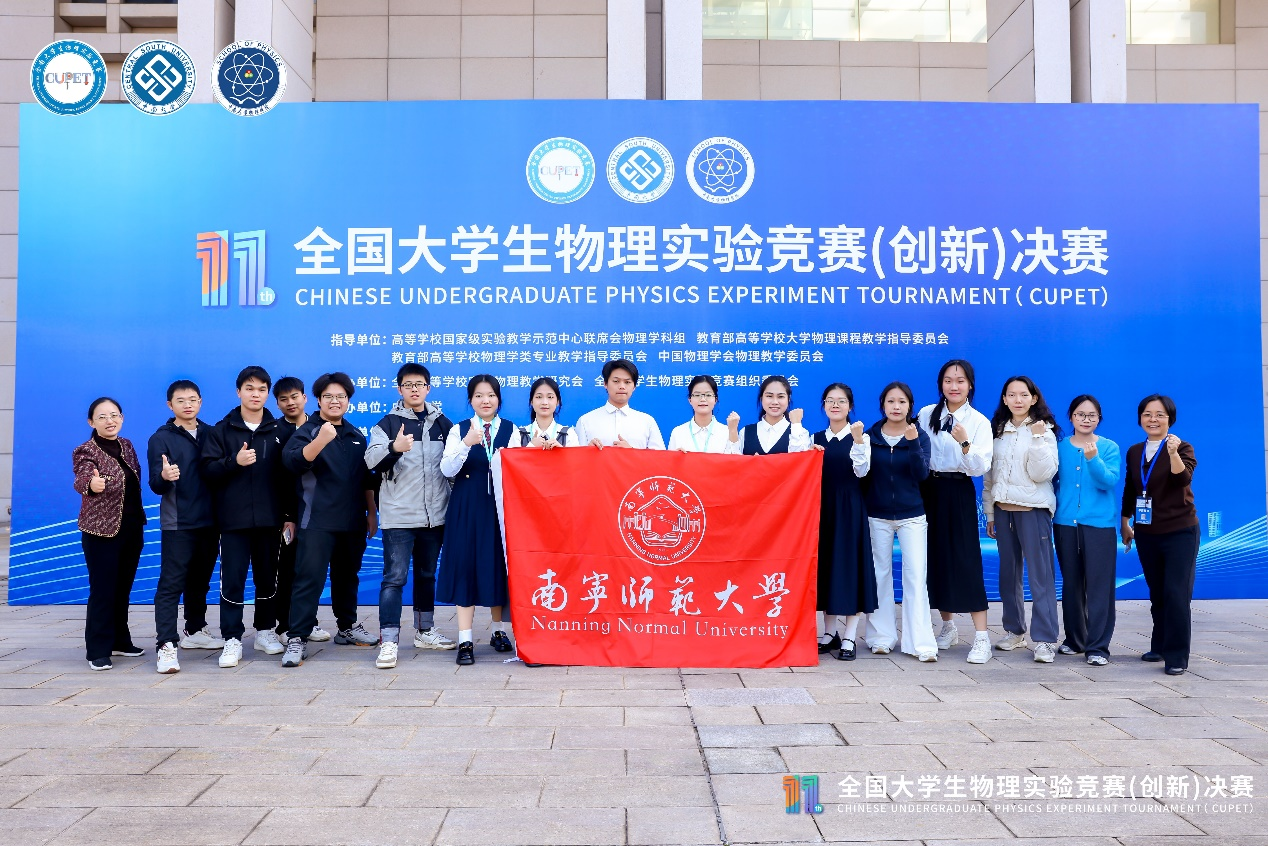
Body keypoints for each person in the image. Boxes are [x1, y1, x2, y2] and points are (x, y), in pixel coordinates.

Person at [281, 372, 379, 667]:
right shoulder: (308, 431)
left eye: (341, 396)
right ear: (318, 400)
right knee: (309, 579)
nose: (335, 401)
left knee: (347, 576)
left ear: (348, 400)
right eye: (328, 397)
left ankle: (346, 627)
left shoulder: (355, 435)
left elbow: (365, 478)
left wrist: (371, 512)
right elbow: (292, 462)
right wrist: (321, 440)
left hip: (352, 521)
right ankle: (297, 637)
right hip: (317, 521)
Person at [365, 363, 456, 670]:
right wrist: (395, 447)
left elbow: (452, 465)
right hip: (400, 517)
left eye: (419, 384)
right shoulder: (388, 423)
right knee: (394, 579)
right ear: (399, 389)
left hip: (434, 517)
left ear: (428, 388)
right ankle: (389, 641)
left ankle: (425, 631)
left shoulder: (443, 423)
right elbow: (371, 460)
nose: (414, 389)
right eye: (408, 385)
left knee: (427, 575)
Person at [201, 366, 292, 668]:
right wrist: (233, 461)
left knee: (268, 578)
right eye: (250, 388)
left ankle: (265, 630)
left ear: (268, 394)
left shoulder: (280, 431)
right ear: (238, 391)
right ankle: (232, 638)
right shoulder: (221, 430)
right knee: (233, 580)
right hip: (233, 521)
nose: (256, 394)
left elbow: (288, 478)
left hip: (270, 520)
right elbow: (207, 471)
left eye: (262, 389)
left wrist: (287, 515)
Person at [919, 359, 994, 664]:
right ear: (941, 384)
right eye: (948, 380)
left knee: (966, 560)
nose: (954, 386)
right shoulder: (926, 414)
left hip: (959, 489)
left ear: (970, 385)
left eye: (960, 381)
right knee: (935, 559)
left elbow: (980, 467)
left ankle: (982, 638)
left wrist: (964, 443)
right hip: (929, 490)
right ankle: (948, 627)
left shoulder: (979, 422)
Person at [437, 375, 515, 666]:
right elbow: (447, 469)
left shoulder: (511, 430)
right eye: (479, 395)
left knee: (497, 567)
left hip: (500, 509)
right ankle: (465, 639)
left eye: (491, 395)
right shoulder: (459, 430)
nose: (486, 400)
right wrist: (467, 444)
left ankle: (498, 631)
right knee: (466, 568)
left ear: (498, 399)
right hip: (467, 507)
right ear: (471, 400)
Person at [983, 376, 1061, 663]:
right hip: (1003, 511)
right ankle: (1014, 631)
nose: (1018, 400)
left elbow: (1043, 474)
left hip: (1033, 511)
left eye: (1023, 395)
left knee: (1040, 577)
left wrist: (1038, 439)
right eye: (1012, 395)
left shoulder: (1044, 431)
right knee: (1008, 575)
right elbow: (989, 477)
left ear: (1034, 398)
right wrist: (991, 513)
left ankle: (1045, 639)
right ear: (1004, 399)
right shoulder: (997, 431)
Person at [147, 380, 223, 674]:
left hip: (210, 520)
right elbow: (155, 484)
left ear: (200, 402)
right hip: (178, 522)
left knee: (200, 580)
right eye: (181, 400)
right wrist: (165, 476)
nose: (187, 405)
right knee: (171, 584)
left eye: (192, 399)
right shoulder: (160, 438)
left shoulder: (211, 433)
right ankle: (166, 645)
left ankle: (195, 629)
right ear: (170, 405)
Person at [1121, 394, 1198, 676]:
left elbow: (1182, 479)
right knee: (1158, 592)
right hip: (1147, 532)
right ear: (1140, 418)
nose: (1153, 419)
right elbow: (1131, 488)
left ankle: (1177, 656)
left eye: (1160, 415)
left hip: (1180, 531)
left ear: (1170, 419)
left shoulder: (1182, 446)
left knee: (1176, 593)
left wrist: (1173, 453)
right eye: (1147, 414)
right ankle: (1161, 645)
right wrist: (1125, 521)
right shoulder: (1134, 451)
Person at [864, 381, 938, 662]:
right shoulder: (870, 436)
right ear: (883, 405)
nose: (896, 407)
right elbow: (863, 475)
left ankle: (920, 643)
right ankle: (881, 638)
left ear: (910, 406)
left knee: (916, 576)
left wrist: (912, 442)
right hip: (877, 515)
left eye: (902, 402)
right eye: (891, 401)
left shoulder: (920, 436)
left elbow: (921, 474)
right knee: (879, 575)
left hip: (912, 516)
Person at [73, 397, 147, 671]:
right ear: (91, 422)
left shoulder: (127, 445)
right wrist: (91, 484)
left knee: (122, 588)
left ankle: (120, 640)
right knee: (103, 590)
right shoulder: (85, 450)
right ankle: (98, 650)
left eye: (114, 415)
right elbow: (82, 477)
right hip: (101, 531)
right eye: (102, 417)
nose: (109, 421)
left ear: (122, 418)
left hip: (131, 528)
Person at [1053, 395, 1121, 667]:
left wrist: (1093, 459)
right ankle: (1075, 640)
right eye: (1080, 414)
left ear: (1099, 419)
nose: (1086, 419)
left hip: (1099, 525)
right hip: (1065, 523)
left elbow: (1109, 481)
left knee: (1099, 587)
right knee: (1071, 584)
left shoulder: (1109, 447)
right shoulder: (1059, 447)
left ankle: (1098, 647)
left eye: (1092, 415)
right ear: (1071, 417)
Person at [812, 383, 877, 661]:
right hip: (822, 509)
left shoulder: (860, 437)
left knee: (850, 570)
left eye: (841, 401)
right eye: (830, 400)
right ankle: (829, 633)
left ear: (850, 406)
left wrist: (859, 440)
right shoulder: (814, 438)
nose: (835, 405)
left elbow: (862, 471)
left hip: (850, 509)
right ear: (823, 405)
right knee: (827, 569)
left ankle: (850, 635)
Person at [273, 377, 329, 643]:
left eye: (294, 396)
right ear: (277, 403)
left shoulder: (319, 427)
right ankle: (285, 625)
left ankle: (309, 621)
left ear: (305, 398)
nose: (290, 403)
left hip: (317, 513)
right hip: (289, 515)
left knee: (310, 570)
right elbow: (280, 478)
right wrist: (287, 516)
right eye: (283, 399)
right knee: (287, 569)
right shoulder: (275, 432)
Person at [574, 359, 665, 449]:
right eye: (616, 381)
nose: (622, 386)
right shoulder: (586, 421)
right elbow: (575, 456)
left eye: (627, 382)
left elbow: (659, 457)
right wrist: (588, 451)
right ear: (605, 384)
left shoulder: (647, 422)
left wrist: (632, 451)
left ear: (634, 386)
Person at [725, 375, 811, 455]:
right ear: (761, 398)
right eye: (769, 396)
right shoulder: (746, 432)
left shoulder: (799, 433)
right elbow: (734, 462)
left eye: (780, 397)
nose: (775, 402)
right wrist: (732, 430)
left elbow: (800, 460)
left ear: (788, 399)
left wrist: (796, 425)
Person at [667, 375, 733, 453]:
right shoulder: (678, 433)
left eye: (708, 395)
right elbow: (669, 461)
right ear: (690, 400)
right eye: (697, 395)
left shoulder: (726, 432)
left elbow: (735, 460)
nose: (703, 399)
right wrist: (676, 457)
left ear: (715, 400)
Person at [515, 377, 578, 447]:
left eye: (550, 397)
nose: (544, 402)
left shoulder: (569, 435)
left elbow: (576, 455)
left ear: (557, 402)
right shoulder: (519, 435)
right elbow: (511, 455)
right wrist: (531, 446)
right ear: (531, 401)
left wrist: (560, 451)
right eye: (539, 397)